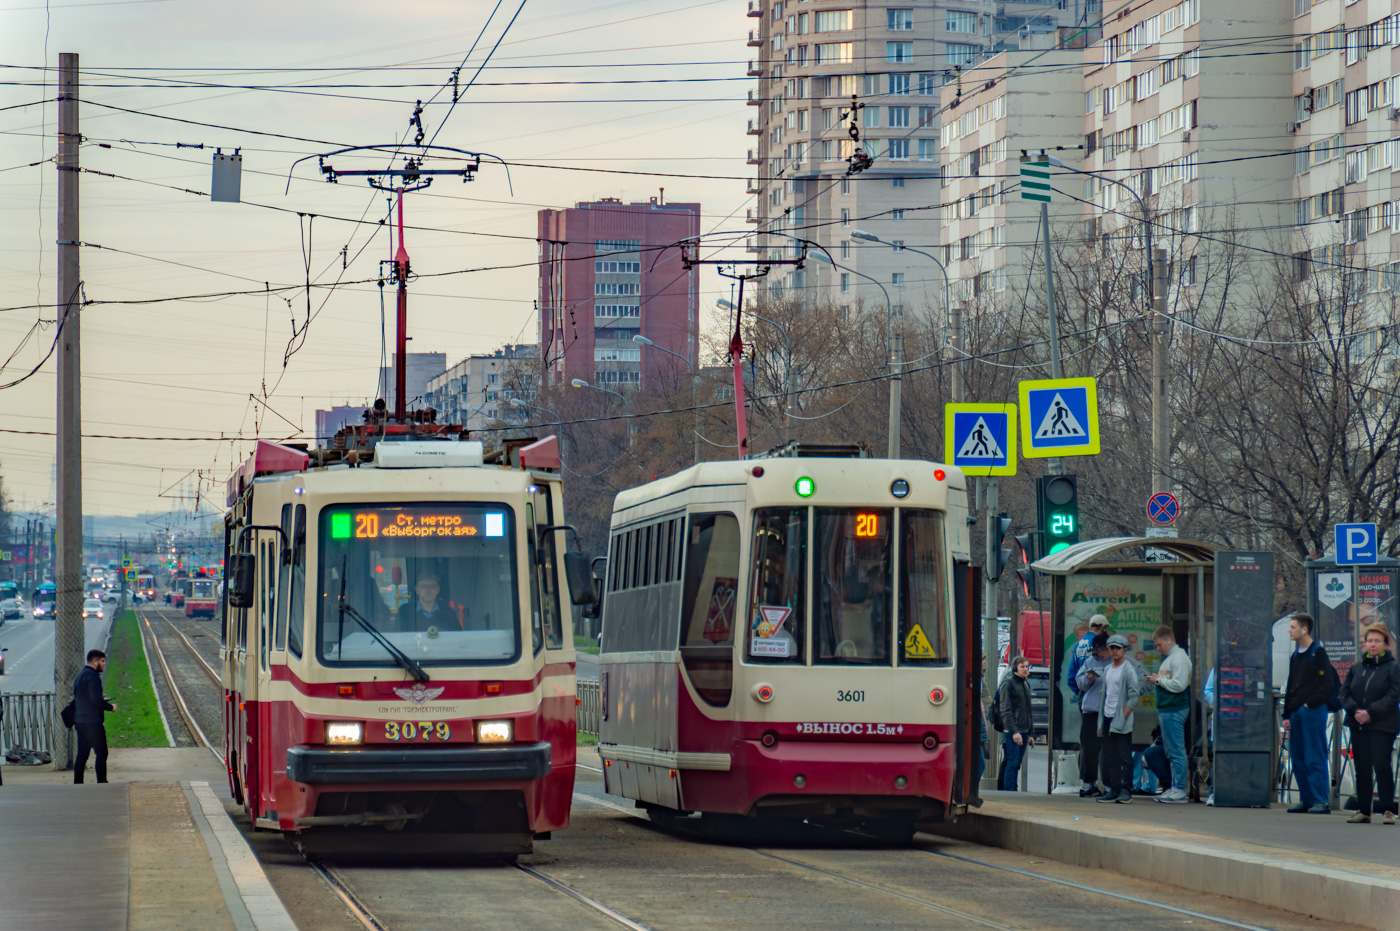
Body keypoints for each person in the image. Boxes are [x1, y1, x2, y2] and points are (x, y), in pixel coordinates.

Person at [1340, 622, 1400, 824]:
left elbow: (1392, 697)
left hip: (1382, 725)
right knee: (1362, 767)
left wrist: (1370, 712)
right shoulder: (1357, 668)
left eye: (1377, 641)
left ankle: (1388, 810)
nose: (1372, 645)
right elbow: (1344, 693)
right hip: (1358, 724)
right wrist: (1356, 711)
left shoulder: (1392, 668)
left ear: (1385, 643)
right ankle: (1364, 810)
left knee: (1381, 766)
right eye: (1369, 641)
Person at [1282, 613, 1335, 814]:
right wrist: (1286, 714)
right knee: (1298, 757)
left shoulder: (1318, 653)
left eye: (1293, 626)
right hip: (1296, 711)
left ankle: (1320, 800)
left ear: (1304, 629)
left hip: (1312, 710)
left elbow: (1327, 684)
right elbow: (1291, 685)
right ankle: (1306, 799)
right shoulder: (1296, 655)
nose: (1290, 630)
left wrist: (1308, 704)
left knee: (1314, 755)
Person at [1145, 625, 1192, 803]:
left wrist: (1158, 679)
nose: (1158, 648)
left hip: (1174, 709)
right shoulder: (1173, 658)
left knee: (1176, 751)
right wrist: (1159, 679)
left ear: (1168, 640)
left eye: (1158, 644)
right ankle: (1175, 787)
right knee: (1172, 750)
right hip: (1169, 709)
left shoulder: (1178, 659)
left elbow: (1179, 685)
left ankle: (1179, 789)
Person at [1096, 634, 1142, 804]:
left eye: (1118, 648)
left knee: (1124, 755)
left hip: (1121, 719)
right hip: (1108, 717)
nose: (1114, 651)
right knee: (1110, 756)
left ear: (1124, 649)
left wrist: (1122, 717)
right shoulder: (1108, 669)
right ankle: (1113, 789)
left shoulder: (1128, 670)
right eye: (1111, 648)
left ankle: (1126, 789)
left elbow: (1134, 696)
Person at [1074, 632, 1111, 796]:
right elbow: (1079, 683)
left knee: (1109, 749)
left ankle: (1109, 784)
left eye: (1104, 650)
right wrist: (1088, 679)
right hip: (1091, 711)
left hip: (1110, 712)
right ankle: (1088, 783)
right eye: (1098, 651)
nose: (1101, 654)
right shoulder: (1089, 662)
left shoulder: (1116, 663)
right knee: (1089, 749)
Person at [73, 648, 116, 784]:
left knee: (82, 755)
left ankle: (78, 783)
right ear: (95, 661)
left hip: (80, 721)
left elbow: (85, 697)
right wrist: (110, 707)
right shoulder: (93, 676)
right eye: (102, 661)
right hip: (92, 722)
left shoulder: (81, 675)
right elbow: (95, 700)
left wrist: (100, 698)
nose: (104, 664)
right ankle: (102, 782)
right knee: (102, 753)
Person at [996, 655, 1035, 791]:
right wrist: (1013, 731)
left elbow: (1029, 711)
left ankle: (1011, 789)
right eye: (1022, 666)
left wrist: (1031, 734)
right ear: (1014, 669)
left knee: (1016, 763)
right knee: (1012, 763)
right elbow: (1005, 710)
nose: (1025, 669)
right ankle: (1009, 792)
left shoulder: (1025, 684)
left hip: (1024, 731)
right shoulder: (1009, 684)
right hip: (1013, 731)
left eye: (1027, 666)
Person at [1067, 614, 1109, 699]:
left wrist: (1082, 694)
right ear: (1102, 627)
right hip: (1102, 699)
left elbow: (1071, 677)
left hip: (1084, 699)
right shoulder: (1102, 645)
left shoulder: (1079, 645)